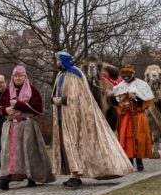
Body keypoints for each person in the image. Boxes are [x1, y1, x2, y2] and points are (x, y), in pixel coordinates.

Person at [51, 52, 133, 188]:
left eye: (57, 61)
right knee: (68, 145)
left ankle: (76, 176)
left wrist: (63, 100)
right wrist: (53, 99)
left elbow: (81, 96)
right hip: (62, 116)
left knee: (75, 144)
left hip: (75, 118)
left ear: (62, 61)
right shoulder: (61, 75)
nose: (56, 63)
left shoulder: (75, 74)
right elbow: (57, 93)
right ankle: (73, 174)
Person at [0, 65, 54, 190]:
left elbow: (38, 108)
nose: (17, 78)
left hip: (26, 125)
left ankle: (32, 177)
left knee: (28, 151)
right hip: (11, 127)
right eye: (15, 76)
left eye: (20, 75)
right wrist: (5, 110)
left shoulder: (32, 90)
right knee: (8, 153)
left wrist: (19, 105)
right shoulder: (7, 91)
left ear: (25, 76)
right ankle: (5, 179)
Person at [111, 64, 155, 171]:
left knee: (139, 138)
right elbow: (117, 104)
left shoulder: (141, 84)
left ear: (132, 74)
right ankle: (129, 162)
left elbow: (146, 102)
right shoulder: (119, 86)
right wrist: (111, 97)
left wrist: (136, 98)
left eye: (128, 74)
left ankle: (139, 162)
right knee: (126, 138)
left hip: (138, 116)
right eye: (123, 74)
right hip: (125, 117)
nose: (125, 76)